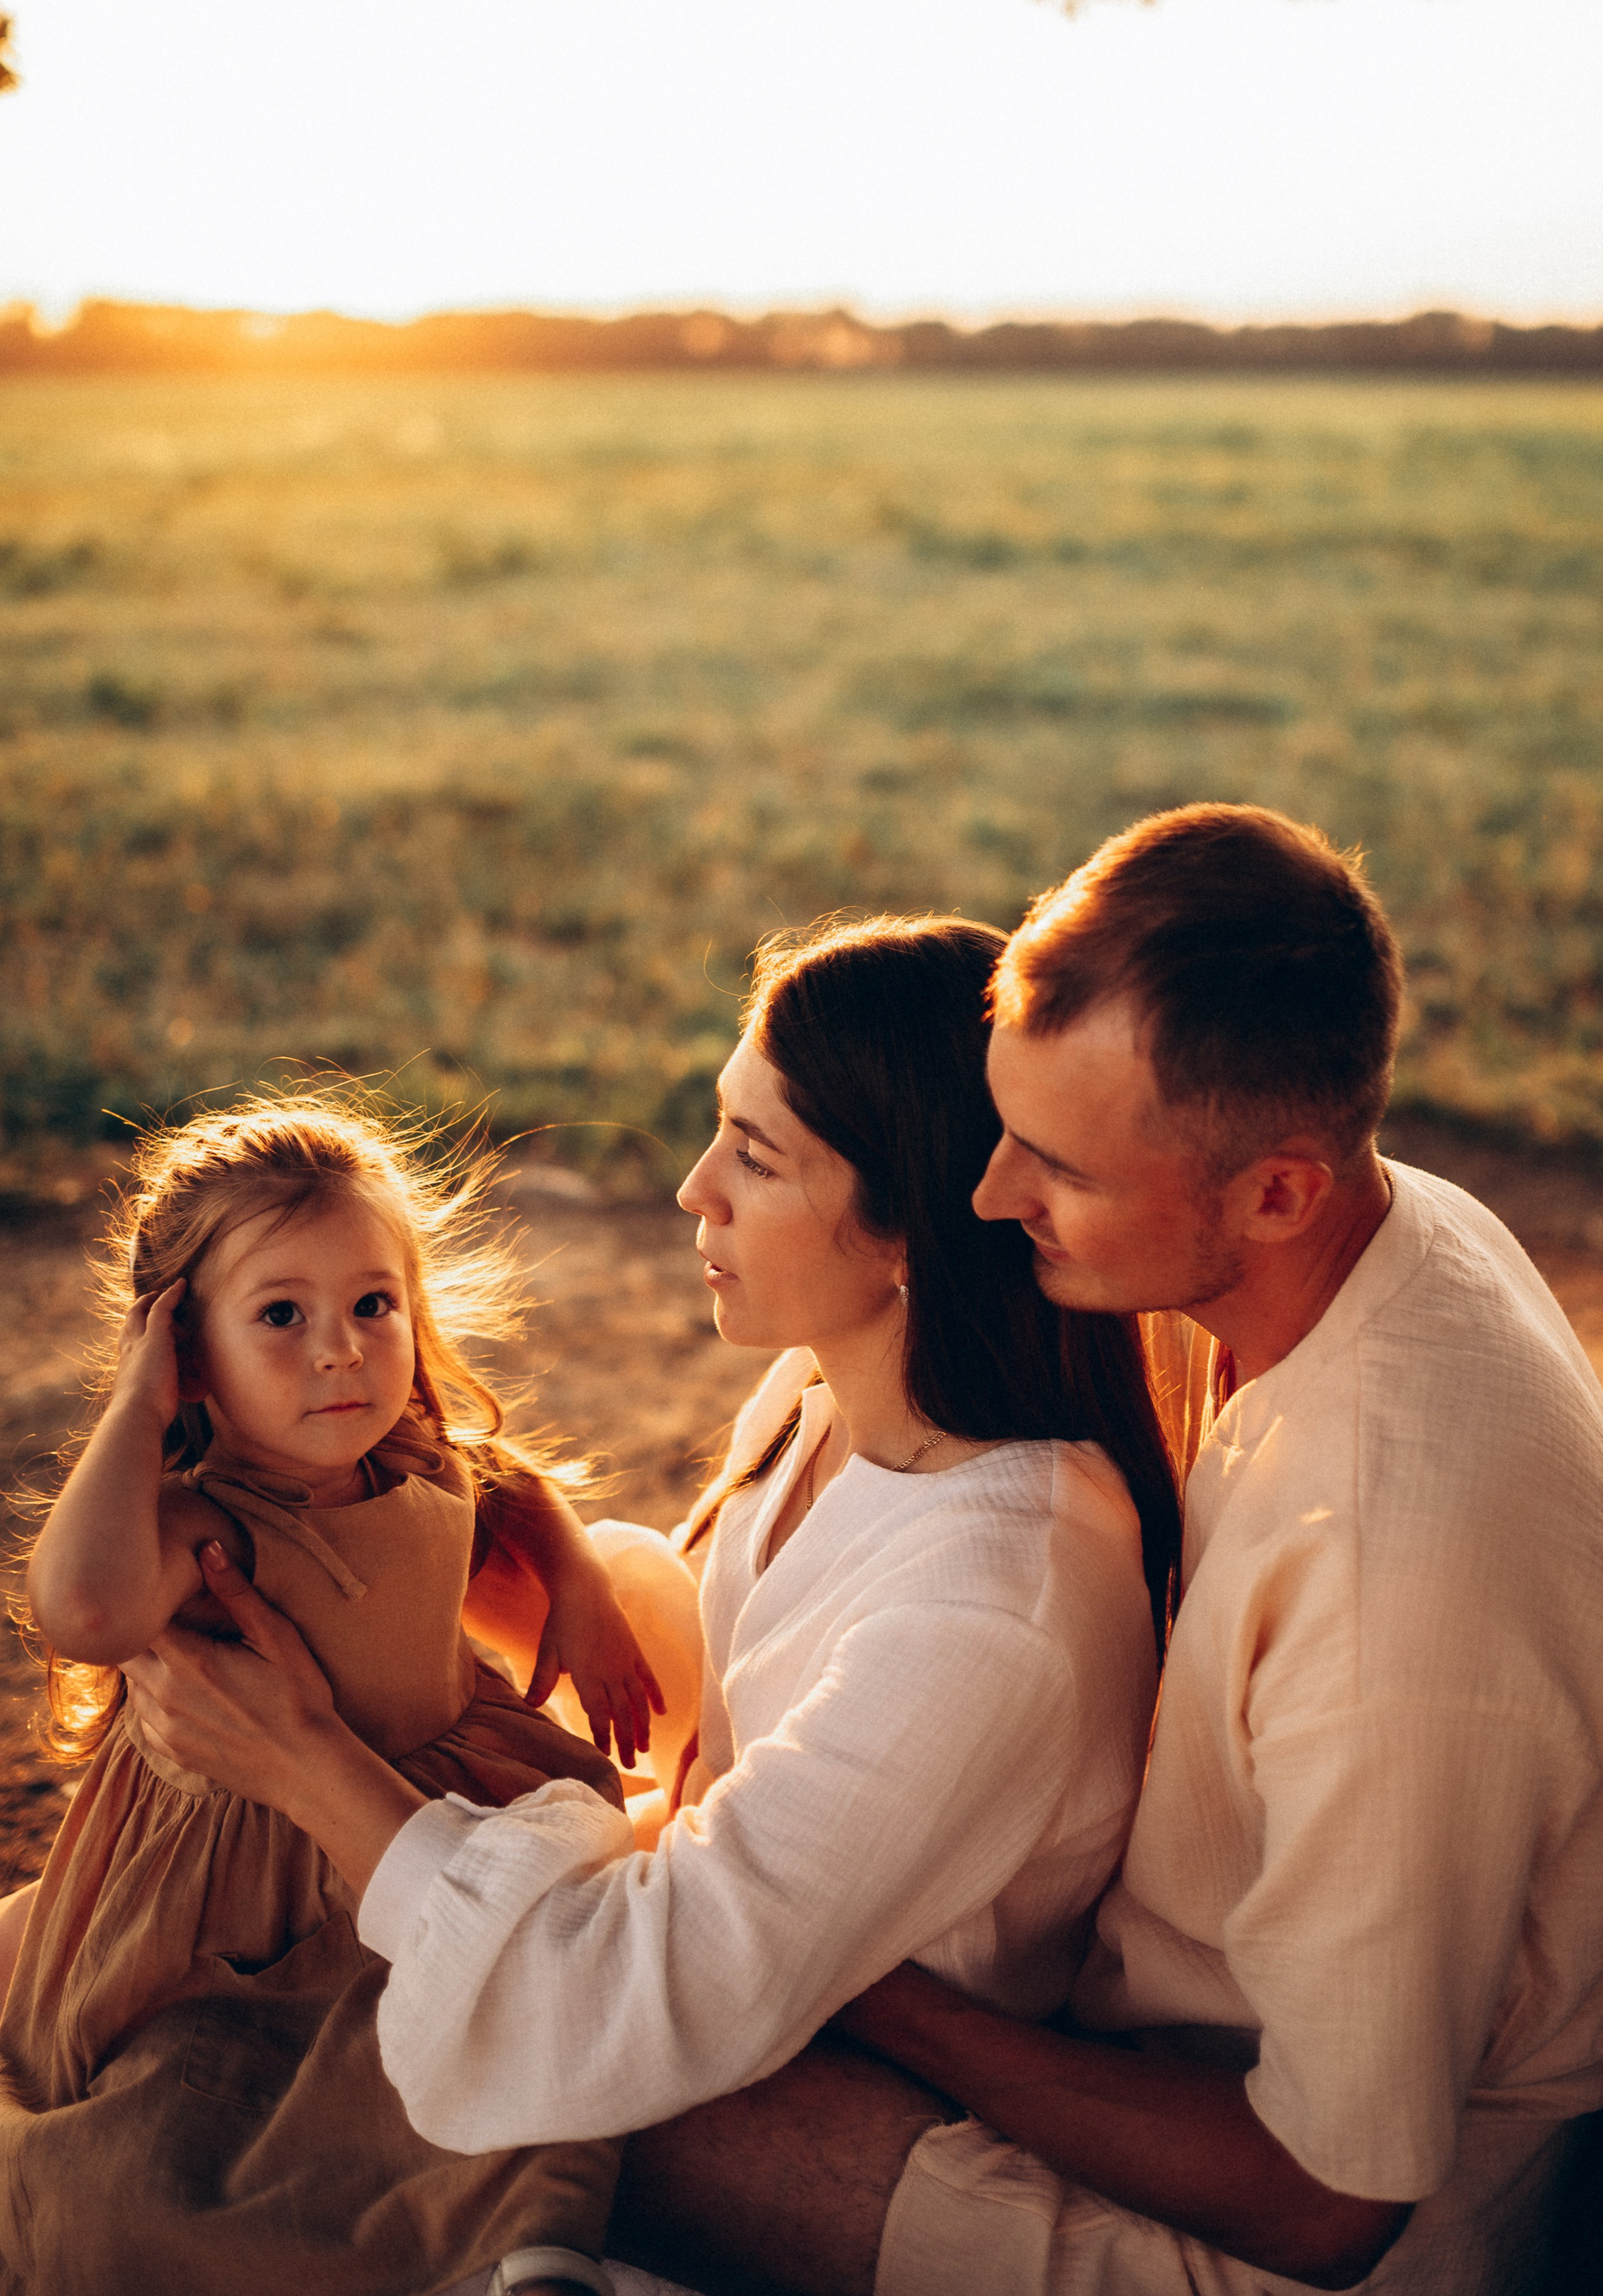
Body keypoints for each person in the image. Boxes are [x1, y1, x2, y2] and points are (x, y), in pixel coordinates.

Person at [610, 804, 1603, 2296]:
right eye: (999, 1123)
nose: (986, 1196)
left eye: (1058, 1167)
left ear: (1275, 1191)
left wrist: (873, 1998)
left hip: (1297, 2235)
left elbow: (1327, 2201)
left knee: (612, 2082)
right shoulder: (1362, 1233)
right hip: (1143, 2031)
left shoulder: (1392, 1591)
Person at [120, 919, 1182, 2223]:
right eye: (718, 1130)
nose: (694, 1189)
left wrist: (299, 1759)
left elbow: (608, 1999)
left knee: (179, 2142)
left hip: (820, 2087)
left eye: (756, 1156)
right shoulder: (823, 1399)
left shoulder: (993, 1603)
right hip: (733, 1962)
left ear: (908, 1226)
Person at [1, 1093, 667, 2296]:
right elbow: (84, 1611)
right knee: (185, 2131)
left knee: (529, 2019)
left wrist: (577, 1584)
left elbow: (503, 1479)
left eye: (372, 1304)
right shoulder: (210, 1521)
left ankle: (535, 2246)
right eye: (281, 1316)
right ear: (186, 1350)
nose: (340, 1351)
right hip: (251, 1906)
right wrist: (140, 1409)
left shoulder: (406, 1453)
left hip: (430, 1818)